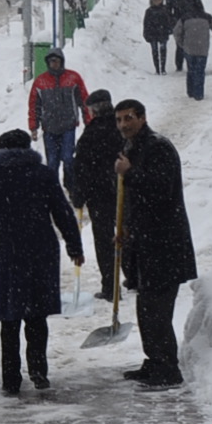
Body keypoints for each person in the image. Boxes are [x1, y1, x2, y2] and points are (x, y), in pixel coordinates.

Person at [0, 130, 85, 394]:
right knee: (36, 316)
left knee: (9, 320)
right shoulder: (43, 174)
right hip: (40, 251)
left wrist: (1, 222)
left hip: (5, 253)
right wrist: (74, 246)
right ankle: (38, 371)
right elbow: (63, 213)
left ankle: (11, 379)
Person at [112, 99, 198, 386]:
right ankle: (154, 361)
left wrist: (130, 172)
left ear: (142, 118)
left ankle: (167, 368)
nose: (123, 125)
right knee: (146, 309)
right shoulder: (132, 148)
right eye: (119, 120)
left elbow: (160, 190)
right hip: (145, 242)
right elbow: (135, 198)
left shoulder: (158, 147)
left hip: (164, 243)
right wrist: (125, 228)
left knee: (157, 310)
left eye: (129, 118)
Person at [66, 88, 124, 302]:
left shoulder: (92, 134)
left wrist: (78, 195)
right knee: (128, 233)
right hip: (123, 189)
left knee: (105, 239)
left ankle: (110, 286)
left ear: (94, 110)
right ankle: (134, 277)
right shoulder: (122, 128)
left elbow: (81, 168)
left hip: (100, 195)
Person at [27, 51, 90, 176]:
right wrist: (33, 127)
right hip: (49, 128)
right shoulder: (40, 82)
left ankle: (70, 184)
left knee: (68, 159)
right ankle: (53, 186)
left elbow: (84, 101)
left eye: (56, 60)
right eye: (51, 61)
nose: (54, 64)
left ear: (62, 61)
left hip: (69, 126)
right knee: (52, 163)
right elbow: (34, 105)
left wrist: (89, 121)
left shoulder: (73, 78)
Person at [175, 4, 212, 101]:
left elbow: (177, 31)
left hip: (189, 48)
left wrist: (181, 43)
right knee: (200, 71)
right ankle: (199, 93)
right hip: (202, 48)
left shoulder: (184, 18)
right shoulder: (207, 17)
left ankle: (190, 91)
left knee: (191, 69)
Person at [142, 0, 175, 75]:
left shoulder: (165, 9)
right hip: (153, 34)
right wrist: (146, 33)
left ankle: (163, 68)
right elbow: (146, 23)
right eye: (157, 0)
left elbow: (169, 20)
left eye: (160, 0)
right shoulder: (149, 11)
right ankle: (157, 69)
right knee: (155, 51)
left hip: (163, 33)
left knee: (163, 50)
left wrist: (169, 29)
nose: (159, 1)